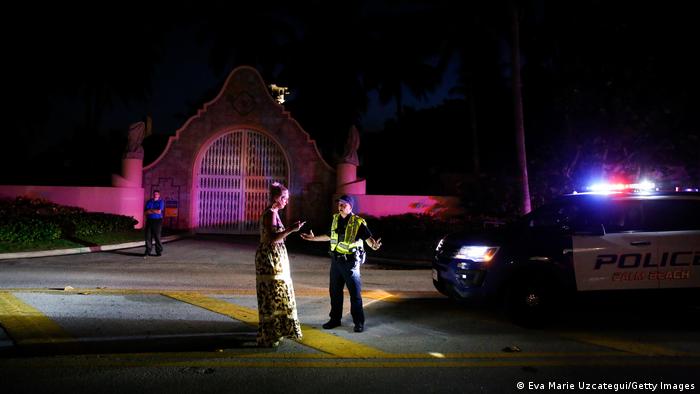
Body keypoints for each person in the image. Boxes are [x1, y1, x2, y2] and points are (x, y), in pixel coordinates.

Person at [300, 194, 381, 333]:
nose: (341, 206)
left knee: (355, 294)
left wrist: (374, 246)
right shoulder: (335, 219)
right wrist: (313, 239)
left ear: (350, 207)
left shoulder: (358, 222)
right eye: (340, 204)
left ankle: (358, 322)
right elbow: (330, 236)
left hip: (351, 263)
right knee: (335, 293)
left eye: (344, 204)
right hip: (336, 262)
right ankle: (335, 320)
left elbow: (368, 239)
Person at [255, 182, 306, 347]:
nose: (287, 201)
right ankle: (270, 334)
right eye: (285, 198)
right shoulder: (270, 213)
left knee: (278, 293)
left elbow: (278, 237)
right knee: (272, 295)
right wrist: (291, 229)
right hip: (270, 259)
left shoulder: (275, 212)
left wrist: (292, 231)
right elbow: (272, 239)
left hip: (276, 258)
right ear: (277, 198)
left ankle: (276, 331)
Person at [144, 190, 165, 257]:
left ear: (159, 195)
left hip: (157, 221)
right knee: (148, 236)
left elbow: (159, 211)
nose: (155, 195)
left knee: (157, 236)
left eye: (157, 194)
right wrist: (154, 210)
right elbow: (145, 212)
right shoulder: (149, 201)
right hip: (149, 220)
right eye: (154, 194)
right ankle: (148, 251)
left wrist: (150, 210)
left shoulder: (161, 202)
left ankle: (158, 251)